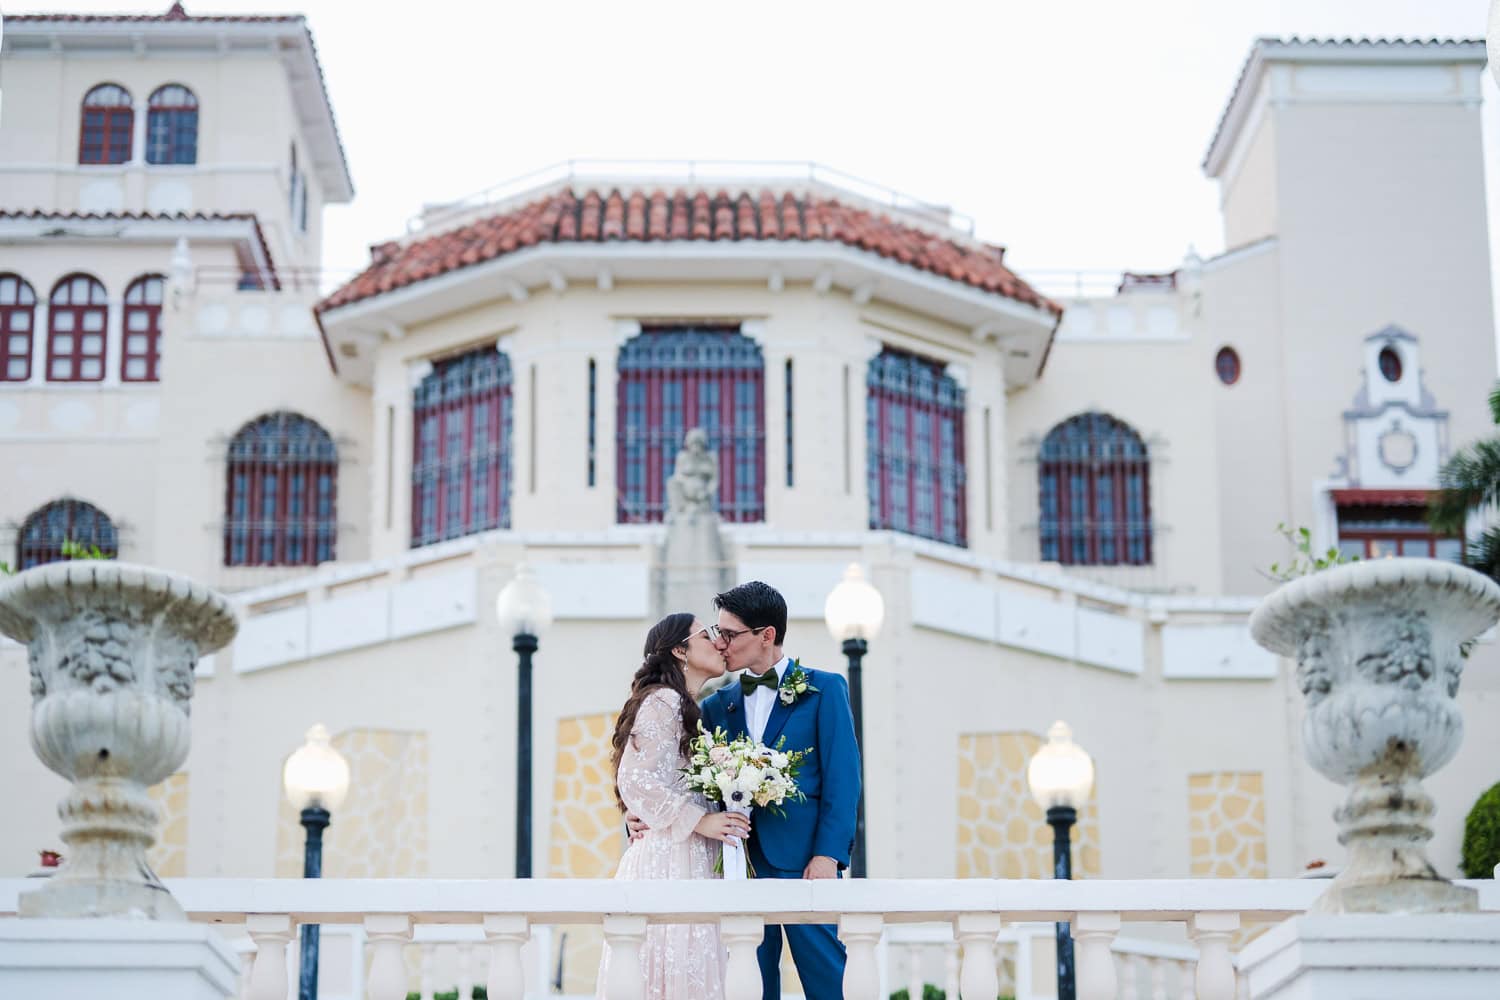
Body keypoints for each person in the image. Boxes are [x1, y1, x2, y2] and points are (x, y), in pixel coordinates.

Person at [701, 581, 862, 1000]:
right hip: (740, 865)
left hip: (805, 864)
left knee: (830, 982)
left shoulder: (824, 689)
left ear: (766, 635)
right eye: (717, 633)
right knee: (751, 986)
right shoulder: (716, 705)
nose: (721, 644)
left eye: (730, 634)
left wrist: (828, 855)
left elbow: (843, 782)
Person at [597, 612, 749, 1000]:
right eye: (708, 634)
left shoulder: (687, 708)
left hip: (689, 856)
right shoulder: (663, 701)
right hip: (670, 861)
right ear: (680, 650)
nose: (719, 642)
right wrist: (702, 821)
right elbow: (634, 779)